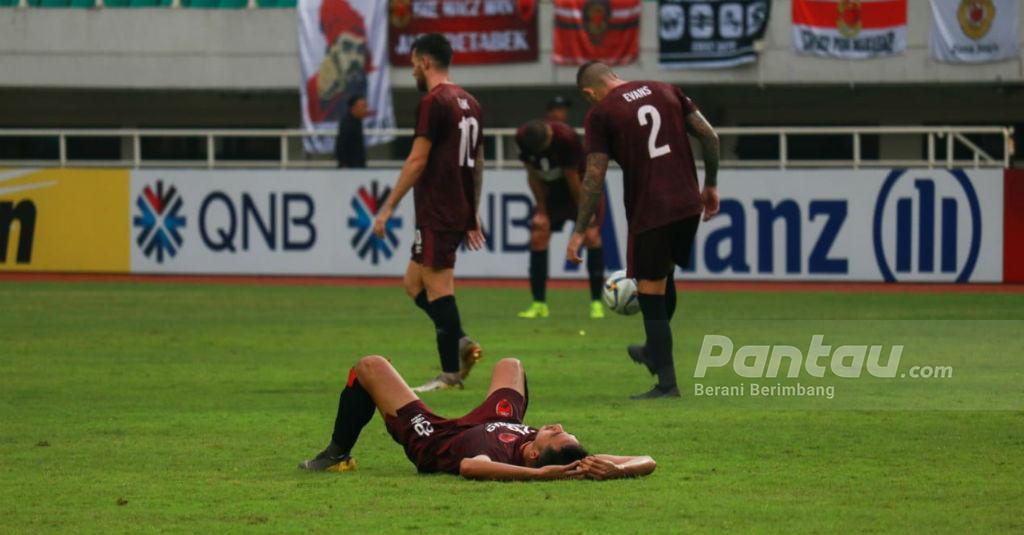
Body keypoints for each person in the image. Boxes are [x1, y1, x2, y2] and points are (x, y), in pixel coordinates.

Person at [567, 61, 721, 400]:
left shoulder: (601, 113)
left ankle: (666, 383)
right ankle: (654, 350)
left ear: (589, 92)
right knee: (664, 276)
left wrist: (580, 230)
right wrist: (710, 184)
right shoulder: (666, 89)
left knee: (651, 292)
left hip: (651, 208)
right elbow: (710, 136)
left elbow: (594, 177)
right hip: (687, 203)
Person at [299, 356, 658, 481]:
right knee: (510, 365)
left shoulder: (503, 460)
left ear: (534, 455)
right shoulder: (577, 462)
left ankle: (335, 455)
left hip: (438, 439)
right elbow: (649, 460)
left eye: (554, 435)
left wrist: (542, 477)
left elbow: (471, 467)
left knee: (369, 366)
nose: (558, 427)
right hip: (489, 421)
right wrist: (619, 468)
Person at [372, 33, 486, 393]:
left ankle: (450, 375)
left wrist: (387, 207)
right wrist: (473, 209)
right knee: (413, 283)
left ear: (424, 62)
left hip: (438, 208)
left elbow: (417, 159)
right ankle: (461, 340)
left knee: (439, 290)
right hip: (452, 207)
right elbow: (477, 163)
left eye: (412, 66)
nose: (412, 74)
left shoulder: (434, 102)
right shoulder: (470, 102)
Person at [515, 119, 607, 320]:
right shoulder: (522, 137)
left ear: (549, 136)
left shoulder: (566, 138)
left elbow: (572, 178)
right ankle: (539, 303)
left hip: (579, 189)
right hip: (551, 194)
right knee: (539, 234)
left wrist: (585, 212)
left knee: (591, 236)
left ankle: (596, 303)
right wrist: (541, 209)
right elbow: (532, 174)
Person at [335, 94, 369, 168]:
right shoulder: (347, 123)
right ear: (353, 108)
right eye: (363, 106)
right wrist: (344, 164)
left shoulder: (358, 122)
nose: (366, 109)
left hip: (358, 166)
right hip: (349, 168)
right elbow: (340, 145)